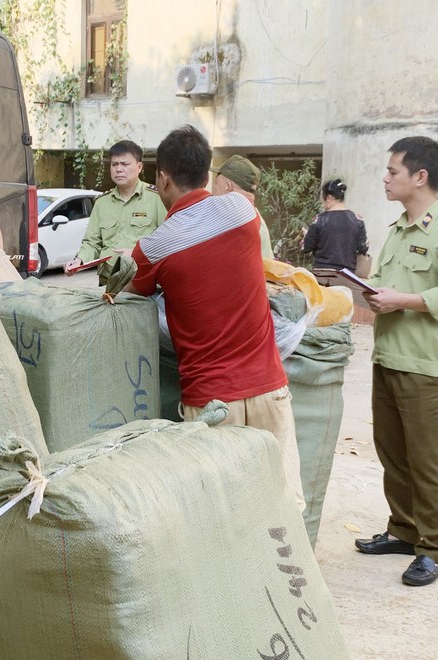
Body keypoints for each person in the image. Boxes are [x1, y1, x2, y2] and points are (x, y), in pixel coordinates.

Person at [123, 125, 305, 511]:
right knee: (281, 507)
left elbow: (129, 288)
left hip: (211, 404)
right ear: (208, 175)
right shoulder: (243, 212)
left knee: (221, 516)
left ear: (162, 178)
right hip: (268, 389)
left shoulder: (154, 247)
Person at [356, 137, 438, 586]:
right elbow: (387, 285)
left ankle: (433, 548)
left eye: (393, 172)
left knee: (426, 458)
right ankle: (405, 531)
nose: (386, 178)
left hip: (425, 362)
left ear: (420, 176)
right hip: (389, 353)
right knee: (392, 452)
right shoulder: (400, 228)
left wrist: (402, 300)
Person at [64, 140, 166, 284]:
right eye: (114, 164)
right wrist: (79, 260)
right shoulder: (101, 203)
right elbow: (92, 242)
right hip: (108, 283)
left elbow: (166, 242)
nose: (118, 169)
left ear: (139, 167)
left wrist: (137, 254)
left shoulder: (157, 199)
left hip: (143, 283)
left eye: (125, 164)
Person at [210, 154, 274, 258]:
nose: (213, 188)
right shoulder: (254, 218)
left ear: (227, 186)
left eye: (216, 183)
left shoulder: (233, 220)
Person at [301, 178, 368, 271]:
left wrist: (306, 236)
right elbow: (363, 249)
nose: (321, 202)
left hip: (322, 273)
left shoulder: (319, 219)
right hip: (347, 275)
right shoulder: (357, 219)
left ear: (328, 198)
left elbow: (306, 248)